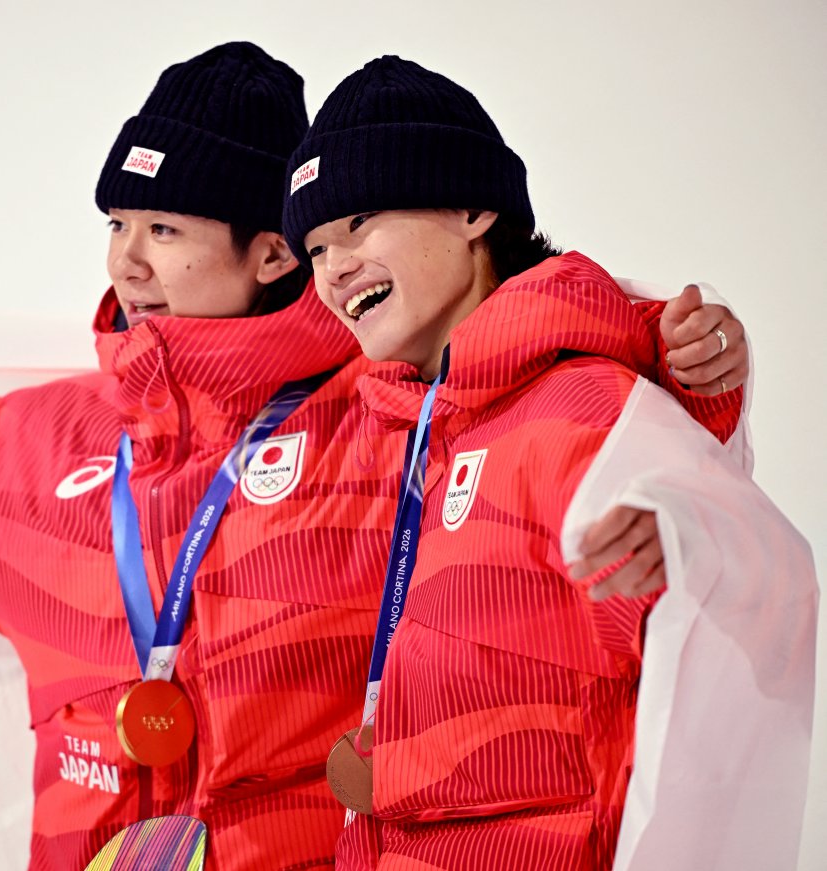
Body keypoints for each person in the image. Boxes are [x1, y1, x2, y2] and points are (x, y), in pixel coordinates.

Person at [0, 44, 751, 871]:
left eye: (162, 229)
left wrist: (673, 368)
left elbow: (543, 423)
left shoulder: (386, 420)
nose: (126, 261)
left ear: (268, 253)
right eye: (116, 224)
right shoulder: (39, 443)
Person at [283, 56, 815, 870]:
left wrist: (687, 523)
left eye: (358, 221)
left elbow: (741, 585)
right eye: (316, 247)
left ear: (472, 208)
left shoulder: (581, 409)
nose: (333, 267)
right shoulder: (409, 429)